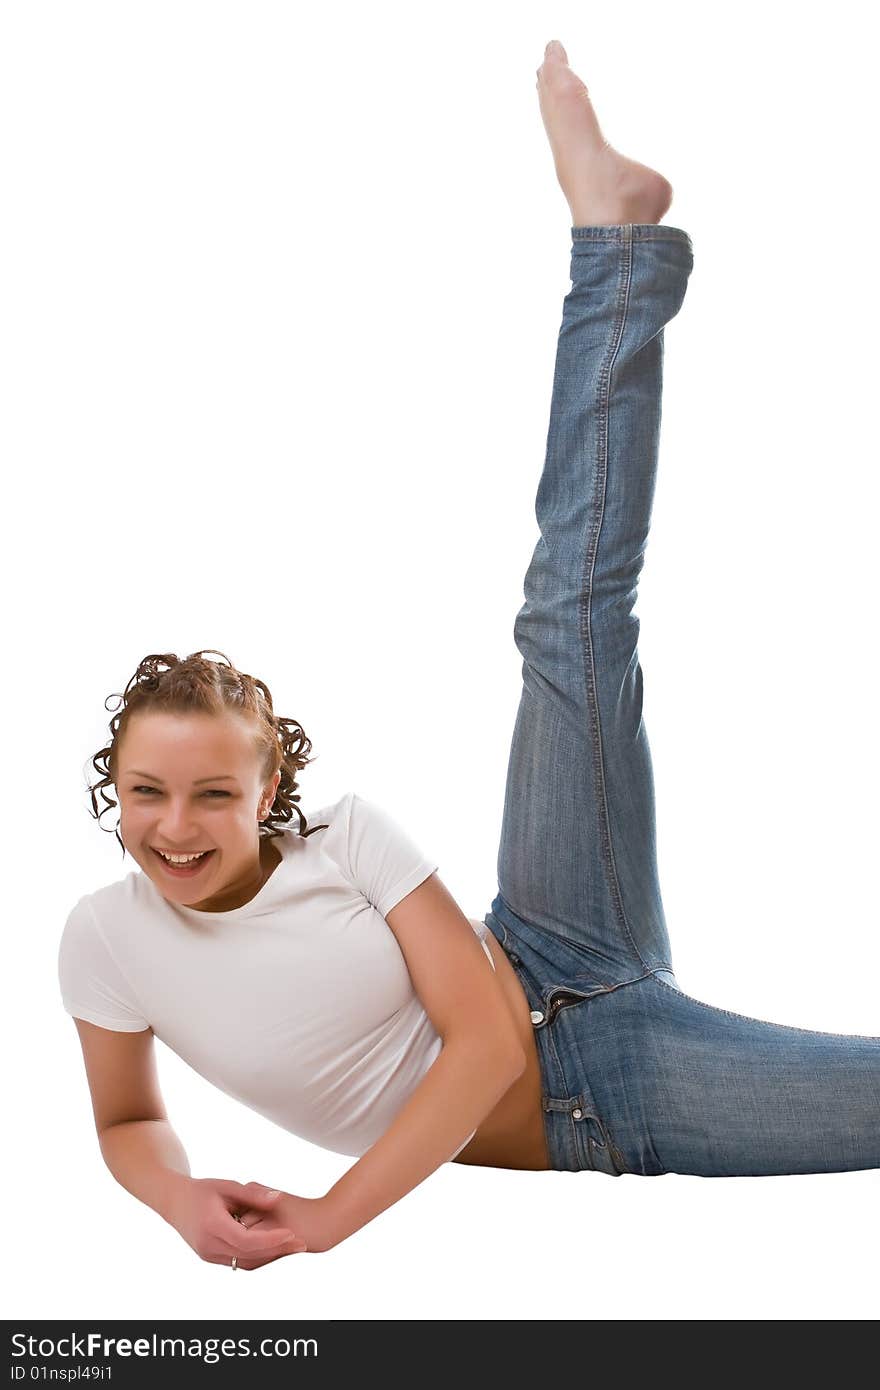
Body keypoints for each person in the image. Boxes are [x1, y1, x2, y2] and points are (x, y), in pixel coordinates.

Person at [58, 40, 880, 1272]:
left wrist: (332, 1218)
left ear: (268, 790)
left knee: (571, 620)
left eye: (214, 792)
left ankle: (615, 241)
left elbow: (487, 1041)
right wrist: (175, 1197)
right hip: (604, 1097)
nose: (176, 825)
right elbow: (126, 1119)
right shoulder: (103, 940)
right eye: (148, 792)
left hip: (550, 942)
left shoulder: (345, 838)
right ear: (113, 790)